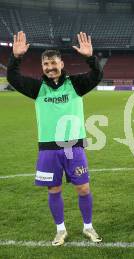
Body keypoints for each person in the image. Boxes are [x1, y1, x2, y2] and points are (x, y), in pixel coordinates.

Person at [6, 31, 103, 246]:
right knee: (54, 189)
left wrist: (90, 57)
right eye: (46, 64)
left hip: (74, 146)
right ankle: (60, 230)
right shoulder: (36, 88)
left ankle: (88, 227)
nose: (50, 67)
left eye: (53, 63)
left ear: (61, 63)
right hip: (48, 149)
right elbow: (12, 78)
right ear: (42, 67)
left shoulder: (75, 84)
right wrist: (16, 57)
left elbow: (96, 76)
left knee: (84, 189)